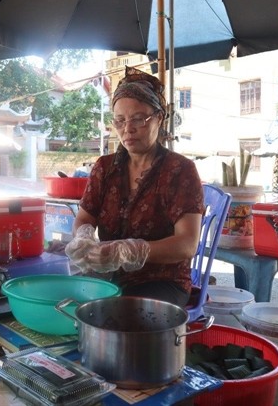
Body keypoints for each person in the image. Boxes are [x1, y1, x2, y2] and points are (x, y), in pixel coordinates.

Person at [64, 66, 204, 308]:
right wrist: (84, 237)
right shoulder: (104, 167)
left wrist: (131, 250)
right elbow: (85, 217)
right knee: (67, 303)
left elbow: (187, 244)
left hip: (161, 281)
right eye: (120, 121)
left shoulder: (180, 170)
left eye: (138, 119)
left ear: (159, 118)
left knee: (113, 313)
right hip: (109, 276)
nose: (127, 128)